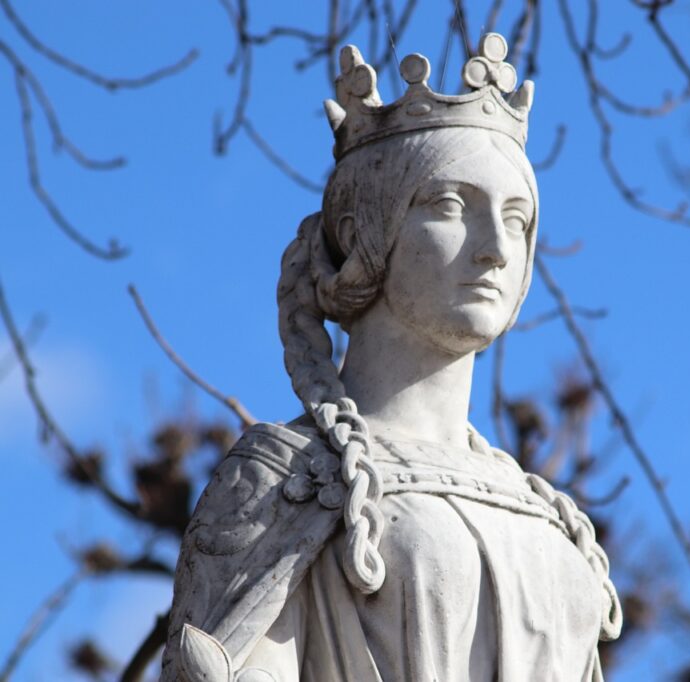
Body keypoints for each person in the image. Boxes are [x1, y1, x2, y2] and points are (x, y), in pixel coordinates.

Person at [162, 34, 620, 682]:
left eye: (517, 219)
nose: (494, 248)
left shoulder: (550, 518)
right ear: (359, 236)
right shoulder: (285, 479)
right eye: (453, 206)